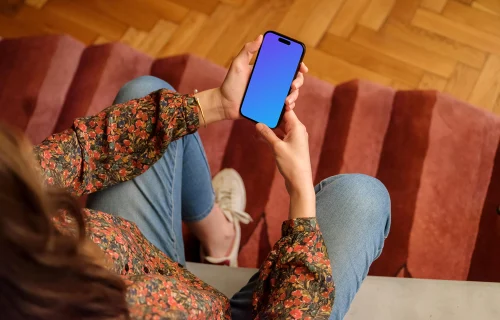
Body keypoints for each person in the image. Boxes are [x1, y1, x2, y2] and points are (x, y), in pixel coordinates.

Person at [0, 35, 390, 320]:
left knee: (146, 90)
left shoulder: (12, 208)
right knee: (362, 197)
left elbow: (78, 153)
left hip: (140, 264)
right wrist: (301, 197)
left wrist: (217, 103)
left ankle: (218, 238)